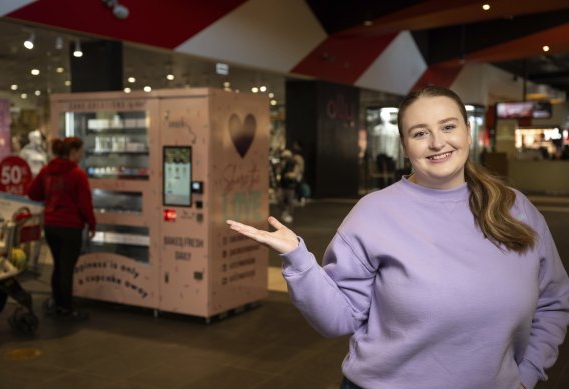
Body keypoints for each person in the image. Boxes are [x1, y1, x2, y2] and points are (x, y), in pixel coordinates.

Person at [227, 85, 569, 389]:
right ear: (404, 145)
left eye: (448, 127)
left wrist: (527, 373)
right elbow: (338, 318)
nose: (438, 142)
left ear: (467, 131)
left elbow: (554, 301)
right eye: (420, 133)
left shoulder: (514, 208)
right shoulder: (373, 212)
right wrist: (297, 258)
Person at [27, 137, 96, 321]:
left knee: (58, 267)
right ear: (72, 152)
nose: (81, 155)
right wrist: (92, 223)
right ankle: (67, 308)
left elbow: (32, 192)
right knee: (66, 269)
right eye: (80, 152)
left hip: (51, 226)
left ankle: (58, 305)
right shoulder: (77, 174)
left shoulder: (47, 171)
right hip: (70, 227)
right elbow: (85, 203)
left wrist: (49, 198)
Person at [278, 149, 302, 223]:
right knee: (279, 198)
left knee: (290, 200)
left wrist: (289, 175)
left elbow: (296, 173)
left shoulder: (294, 164)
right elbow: (279, 171)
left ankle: (290, 214)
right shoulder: (282, 163)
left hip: (290, 185)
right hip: (282, 185)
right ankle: (285, 210)